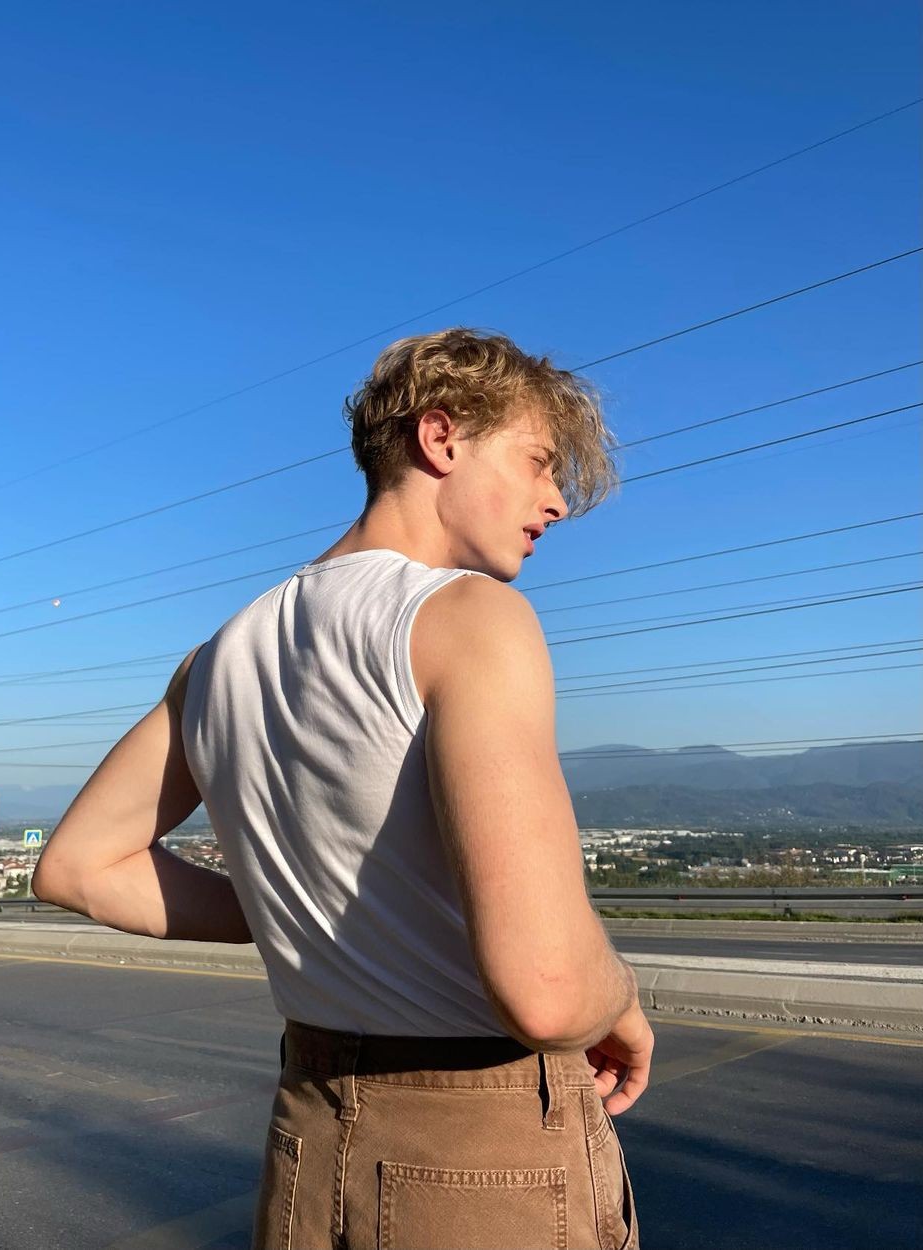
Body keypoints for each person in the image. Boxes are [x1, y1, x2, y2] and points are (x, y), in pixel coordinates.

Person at [33, 327, 654, 1250]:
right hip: (483, 1150)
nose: (557, 502)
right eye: (537, 463)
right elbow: (551, 991)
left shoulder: (219, 656)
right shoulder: (470, 619)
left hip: (309, 1140)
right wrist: (621, 1001)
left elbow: (81, 868)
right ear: (441, 439)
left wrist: (300, 908)